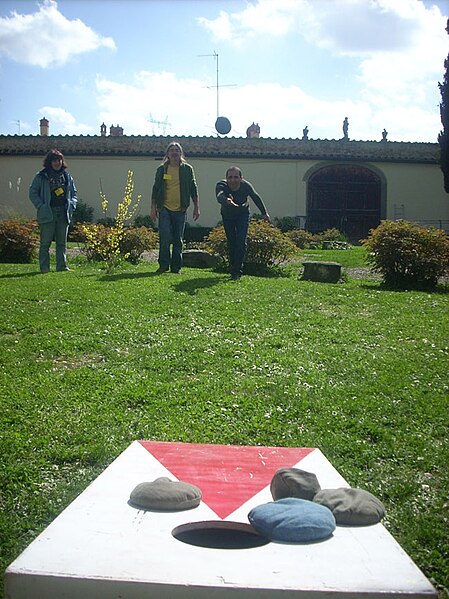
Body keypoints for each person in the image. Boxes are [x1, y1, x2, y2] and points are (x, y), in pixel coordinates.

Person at [151, 141, 200, 273]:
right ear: (167, 154)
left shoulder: (187, 169)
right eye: (171, 150)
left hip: (181, 209)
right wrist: (153, 207)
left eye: (177, 150)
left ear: (181, 153)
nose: (174, 152)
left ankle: (176, 267)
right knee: (165, 237)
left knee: (178, 239)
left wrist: (196, 206)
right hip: (164, 208)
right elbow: (156, 189)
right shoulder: (162, 169)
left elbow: (193, 188)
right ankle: (163, 265)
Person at [216, 166, 270, 280]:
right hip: (228, 216)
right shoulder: (221, 185)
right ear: (226, 178)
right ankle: (233, 268)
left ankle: (237, 271)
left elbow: (255, 197)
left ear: (241, 178)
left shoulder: (246, 186)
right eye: (230, 177)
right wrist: (227, 200)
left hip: (242, 214)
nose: (233, 180)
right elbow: (219, 196)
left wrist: (264, 213)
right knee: (231, 242)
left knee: (241, 241)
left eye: (236, 177)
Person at [29, 149, 77, 273]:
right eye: (54, 160)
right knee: (45, 243)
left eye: (59, 160)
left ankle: (62, 267)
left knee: (61, 243)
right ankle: (44, 268)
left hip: (63, 213)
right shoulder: (41, 176)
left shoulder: (67, 176)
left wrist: (72, 205)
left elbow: (74, 194)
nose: (57, 163)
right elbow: (33, 193)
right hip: (47, 213)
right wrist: (41, 206)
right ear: (49, 162)